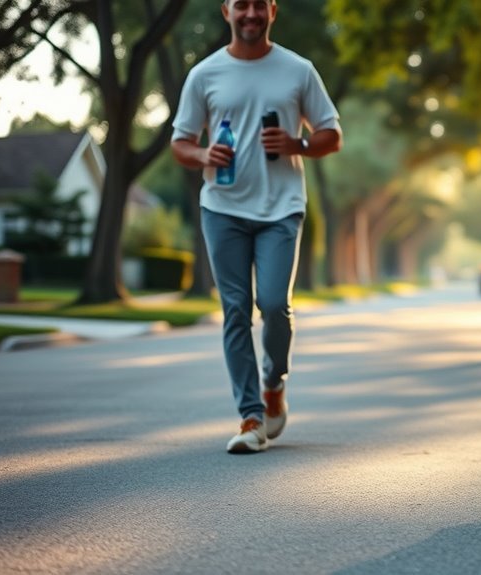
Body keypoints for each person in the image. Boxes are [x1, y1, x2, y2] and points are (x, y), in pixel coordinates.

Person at [171, 0, 342, 454]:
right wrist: (204, 155)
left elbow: (332, 134)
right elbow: (180, 143)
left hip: (281, 207)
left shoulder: (298, 69)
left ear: (272, 10)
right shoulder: (204, 74)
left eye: (258, 5)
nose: (250, 13)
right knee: (234, 310)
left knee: (273, 304)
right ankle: (250, 417)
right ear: (226, 11)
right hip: (222, 207)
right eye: (240, 4)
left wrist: (297, 144)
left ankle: (274, 384)